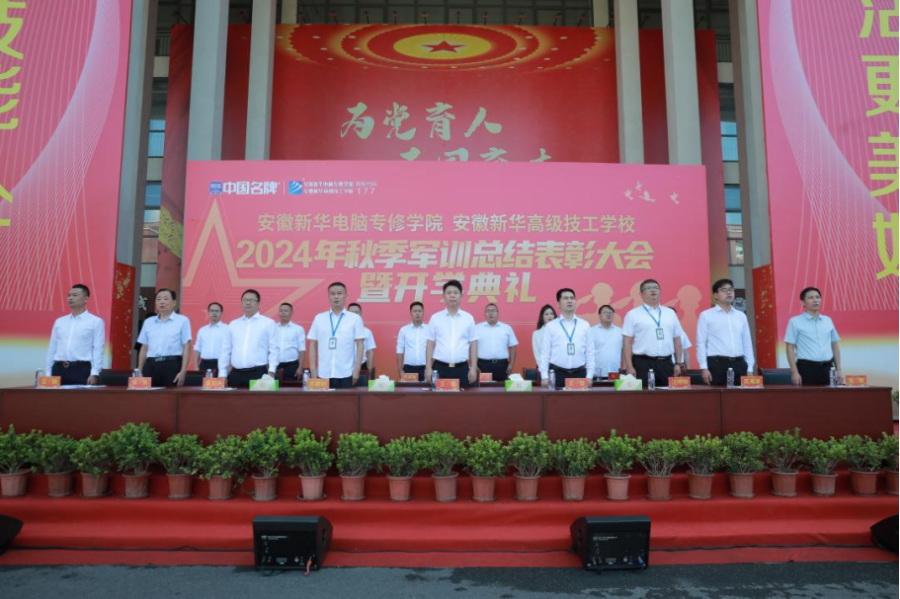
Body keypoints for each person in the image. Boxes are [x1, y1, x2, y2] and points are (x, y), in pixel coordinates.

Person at [622, 279, 684, 386]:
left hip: (666, 363)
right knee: (644, 394)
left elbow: (677, 339)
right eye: (648, 288)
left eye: (655, 288)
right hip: (642, 363)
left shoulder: (670, 313)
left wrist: (678, 363)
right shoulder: (632, 314)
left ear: (660, 292)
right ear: (641, 294)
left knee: (667, 394)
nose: (653, 290)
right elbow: (626, 342)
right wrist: (629, 366)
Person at [696, 279, 755, 385]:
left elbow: (747, 342)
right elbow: (701, 343)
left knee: (740, 395)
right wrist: (703, 367)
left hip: (739, 363)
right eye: (724, 290)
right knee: (718, 394)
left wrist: (750, 367)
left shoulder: (741, 316)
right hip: (717, 364)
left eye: (731, 289)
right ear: (716, 295)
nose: (729, 292)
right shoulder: (706, 315)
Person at [308, 282, 365, 388]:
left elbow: (360, 344)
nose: (336, 296)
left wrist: (357, 369)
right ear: (328, 297)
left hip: (346, 373)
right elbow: (312, 344)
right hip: (323, 373)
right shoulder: (319, 318)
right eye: (332, 294)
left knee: (346, 399)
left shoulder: (355, 319)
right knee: (323, 399)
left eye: (339, 293)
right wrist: (313, 369)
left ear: (346, 296)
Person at [45, 284, 105, 385]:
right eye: (69, 295)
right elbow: (52, 348)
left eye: (75, 295)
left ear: (86, 299)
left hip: (81, 370)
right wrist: (48, 372)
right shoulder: (60, 322)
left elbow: (98, 349)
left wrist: (95, 373)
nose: (70, 298)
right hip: (58, 369)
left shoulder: (95, 322)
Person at [218, 289, 278, 389]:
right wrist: (222, 374)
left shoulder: (268, 323)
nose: (248, 303)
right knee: (233, 399)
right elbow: (225, 350)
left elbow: (274, 349)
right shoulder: (233, 324)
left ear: (258, 303)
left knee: (258, 399)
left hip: (258, 374)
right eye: (245, 300)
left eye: (251, 300)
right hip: (235, 374)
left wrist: (271, 372)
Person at [425, 280, 479, 387]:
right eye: (449, 293)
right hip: (440, 368)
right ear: (443, 296)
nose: (452, 295)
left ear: (461, 296)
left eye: (455, 292)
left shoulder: (468, 318)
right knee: (439, 397)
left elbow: (473, 344)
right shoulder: (435, 318)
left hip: (462, 369)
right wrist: (428, 367)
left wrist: (473, 367)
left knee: (463, 397)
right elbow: (430, 344)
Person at [539, 288, 595, 389]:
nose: (569, 301)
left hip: (580, 374)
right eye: (565, 298)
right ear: (558, 304)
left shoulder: (585, 325)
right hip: (557, 374)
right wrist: (544, 376)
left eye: (572, 298)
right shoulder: (551, 326)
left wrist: (590, 375)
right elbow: (545, 353)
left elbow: (590, 352)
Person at [785, 287, 842, 386]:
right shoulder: (795, 321)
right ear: (803, 302)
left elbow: (834, 345)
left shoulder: (827, 320)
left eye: (817, 297)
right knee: (808, 396)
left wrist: (839, 369)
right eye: (811, 298)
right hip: (807, 369)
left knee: (830, 395)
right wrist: (794, 372)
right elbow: (789, 348)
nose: (815, 300)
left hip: (828, 368)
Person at [137, 288, 192, 387]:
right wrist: (139, 371)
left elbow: (186, 347)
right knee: (148, 395)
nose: (161, 302)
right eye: (158, 299)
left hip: (172, 365)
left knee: (170, 395)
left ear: (174, 302)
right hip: (151, 365)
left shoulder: (182, 320)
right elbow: (144, 348)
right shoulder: (148, 322)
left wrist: (183, 371)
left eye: (166, 299)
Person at [476, 303, 518, 382]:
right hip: (483, 365)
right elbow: (472, 347)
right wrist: (473, 364)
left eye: (493, 310)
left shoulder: (507, 328)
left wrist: (511, 364)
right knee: (483, 388)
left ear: (498, 313)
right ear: (485, 314)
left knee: (501, 388)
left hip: (501, 365)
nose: (491, 313)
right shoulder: (477, 328)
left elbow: (513, 347)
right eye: (488, 311)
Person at [396, 301, 427, 381]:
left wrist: (430, 368)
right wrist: (400, 369)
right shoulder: (404, 330)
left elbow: (433, 349)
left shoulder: (429, 329)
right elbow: (400, 350)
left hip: (425, 368)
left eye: (419, 311)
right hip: (408, 368)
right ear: (410, 313)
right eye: (415, 311)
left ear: (423, 313)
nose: (417, 313)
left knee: (426, 388)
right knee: (409, 388)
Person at [275, 302, 306, 381]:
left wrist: (300, 368)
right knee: (273, 388)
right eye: (281, 310)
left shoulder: (298, 329)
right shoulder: (273, 328)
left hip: (292, 366)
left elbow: (302, 350)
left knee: (290, 388)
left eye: (286, 311)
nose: (283, 313)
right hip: (275, 365)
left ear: (291, 313)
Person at [591, 304, 623, 378]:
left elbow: (624, 351)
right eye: (605, 312)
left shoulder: (620, 332)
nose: (608, 314)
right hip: (596, 373)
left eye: (610, 313)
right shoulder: (591, 332)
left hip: (615, 373)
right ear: (600, 316)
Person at [194, 302, 226, 372]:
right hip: (204, 364)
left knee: (220, 380)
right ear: (208, 313)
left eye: (217, 311)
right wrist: (196, 366)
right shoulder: (202, 330)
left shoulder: (227, 329)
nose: (214, 313)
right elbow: (197, 348)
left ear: (221, 313)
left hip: (221, 364)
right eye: (212, 311)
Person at [347, 303, 376, 376]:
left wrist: (369, 369)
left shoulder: (367, 332)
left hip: (362, 365)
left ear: (361, 314)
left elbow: (370, 352)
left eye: (356, 312)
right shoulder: (340, 331)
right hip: (344, 366)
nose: (354, 315)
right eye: (351, 313)